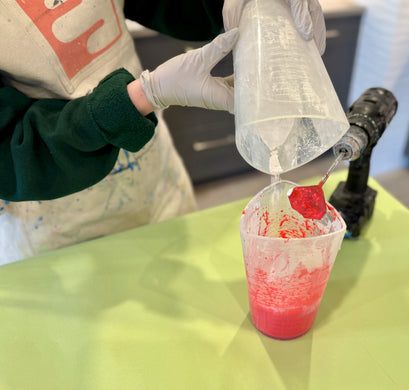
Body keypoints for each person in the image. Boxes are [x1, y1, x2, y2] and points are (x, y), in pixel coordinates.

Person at [0, 0, 325, 264]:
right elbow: (8, 154)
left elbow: (179, 8)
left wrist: (239, 3)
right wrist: (142, 96)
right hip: (55, 213)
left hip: (156, 179)